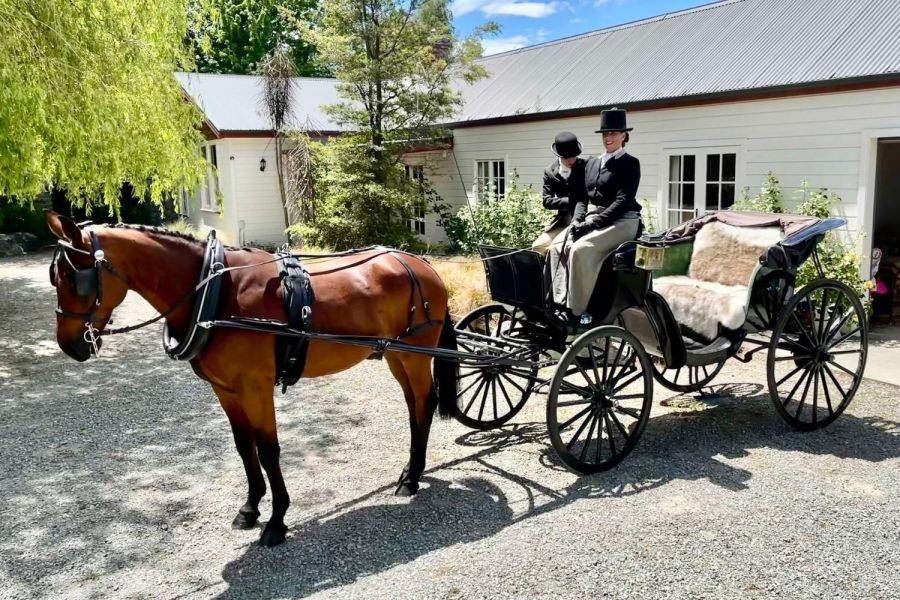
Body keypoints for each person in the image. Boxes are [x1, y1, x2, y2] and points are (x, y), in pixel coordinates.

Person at [548, 108, 642, 323]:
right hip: (594, 217)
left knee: (580, 250)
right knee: (556, 247)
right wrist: (577, 220)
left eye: (613, 133)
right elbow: (581, 197)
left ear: (624, 136)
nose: (608, 138)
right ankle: (558, 303)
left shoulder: (630, 163)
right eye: (605, 134)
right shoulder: (591, 164)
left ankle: (577, 312)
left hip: (624, 220)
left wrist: (591, 226)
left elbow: (622, 201)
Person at [532, 132, 586, 254]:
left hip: (585, 218)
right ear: (559, 155)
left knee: (561, 249)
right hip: (564, 219)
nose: (572, 160)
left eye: (575, 156)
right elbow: (547, 201)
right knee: (538, 247)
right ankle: (548, 272)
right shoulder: (549, 171)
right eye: (568, 157)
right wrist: (570, 200)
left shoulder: (585, 166)